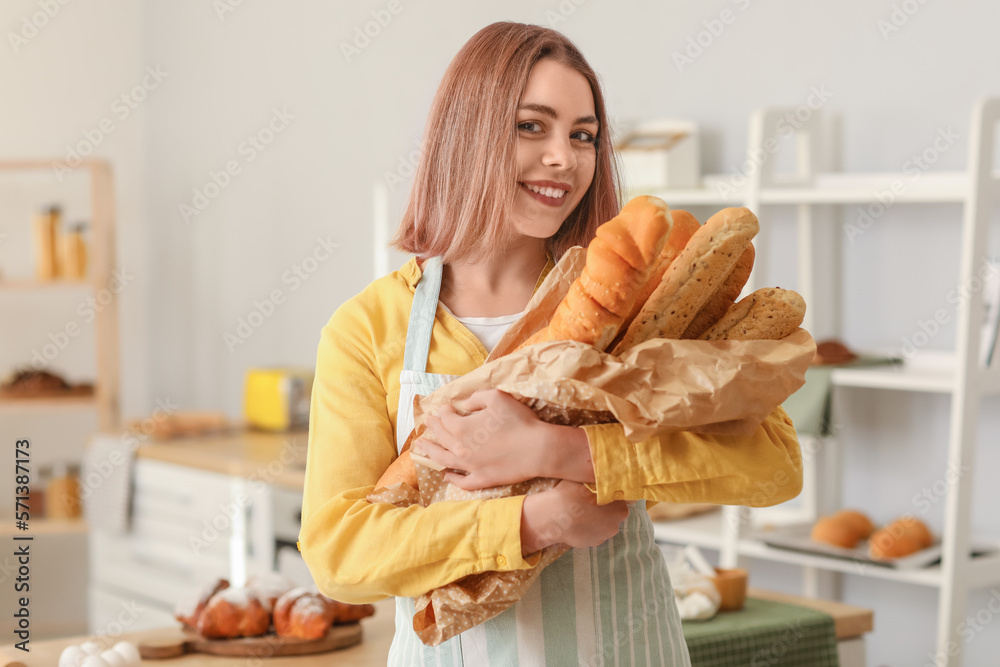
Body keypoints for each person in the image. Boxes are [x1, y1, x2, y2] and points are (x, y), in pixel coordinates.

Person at [299, 21, 803, 666]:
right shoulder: (371, 327)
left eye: (583, 135)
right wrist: (540, 522)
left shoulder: (635, 300)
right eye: (530, 126)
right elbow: (339, 555)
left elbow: (774, 464)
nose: (564, 158)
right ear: (467, 135)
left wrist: (560, 449)